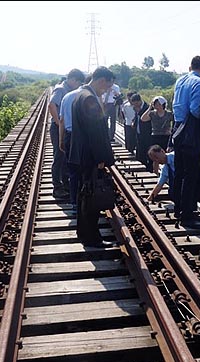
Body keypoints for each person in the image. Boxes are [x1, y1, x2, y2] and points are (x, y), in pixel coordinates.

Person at [68, 66, 117, 248]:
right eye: (107, 86)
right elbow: (95, 133)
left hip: (81, 155)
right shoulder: (89, 99)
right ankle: (92, 238)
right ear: (101, 80)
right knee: (91, 198)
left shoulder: (79, 95)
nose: (106, 90)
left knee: (84, 195)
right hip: (89, 156)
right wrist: (101, 158)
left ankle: (84, 233)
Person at [169, 55, 200, 229]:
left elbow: (175, 105)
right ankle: (187, 216)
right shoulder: (199, 83)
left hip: (177, 129)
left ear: (190, 66)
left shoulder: (180, 80)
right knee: (191, 174)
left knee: (179, 172)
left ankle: (178, 208)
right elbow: (195, 109)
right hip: (190, 133)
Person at [146, 145, 200, 223]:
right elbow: (159, 185)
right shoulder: (165, 168)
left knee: (192, 196)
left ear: (162, 151)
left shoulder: (176, 156)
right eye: (154, 159)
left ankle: (191, 214)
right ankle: (190, 214)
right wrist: (149, 199)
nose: (157, 160)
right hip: (189, 180)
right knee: (179, 194)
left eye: (156, 157)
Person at [48, 69, 86, 199]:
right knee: (59, 156)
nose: (79, 85)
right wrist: (60, 124)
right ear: (73, 79)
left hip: (65, 127)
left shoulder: (69, 90)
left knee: (65, 157)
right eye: (78, 82)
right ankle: (57, 188)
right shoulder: (60, 89)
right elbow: (52, 105)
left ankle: (65, 185)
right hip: (58, 127)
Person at [59, 74, 91, 212]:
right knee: (87, 170)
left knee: (73, 172)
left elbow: (61, 121)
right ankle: (87, 201)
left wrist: (61, 140)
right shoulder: (88, 96)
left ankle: (74, 203)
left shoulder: (67, 96)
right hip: (84, 137)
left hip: (69, 136)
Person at [141, 95, 173, 171]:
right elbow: (143, 119)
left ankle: (167, 172)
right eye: (155, 104)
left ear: (163, 104)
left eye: (159, 104)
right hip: (155, 136)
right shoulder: (152, 113)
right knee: (155, 157)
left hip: (166, 136)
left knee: (166, 155)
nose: (157, 106)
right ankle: (155, 172)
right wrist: (149, 108)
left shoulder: (169, 114)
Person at [130, 93, 153, 172]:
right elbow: (137, 117)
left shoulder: (147, 108)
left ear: (139, 101)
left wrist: (138, 111)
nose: (134, 105)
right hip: (139, 134)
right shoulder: (136, 108)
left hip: (147, 134)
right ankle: (141, 167)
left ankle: (149, 169)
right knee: (140, 152)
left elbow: (144, 118)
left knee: (148, 152)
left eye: (135, 103)